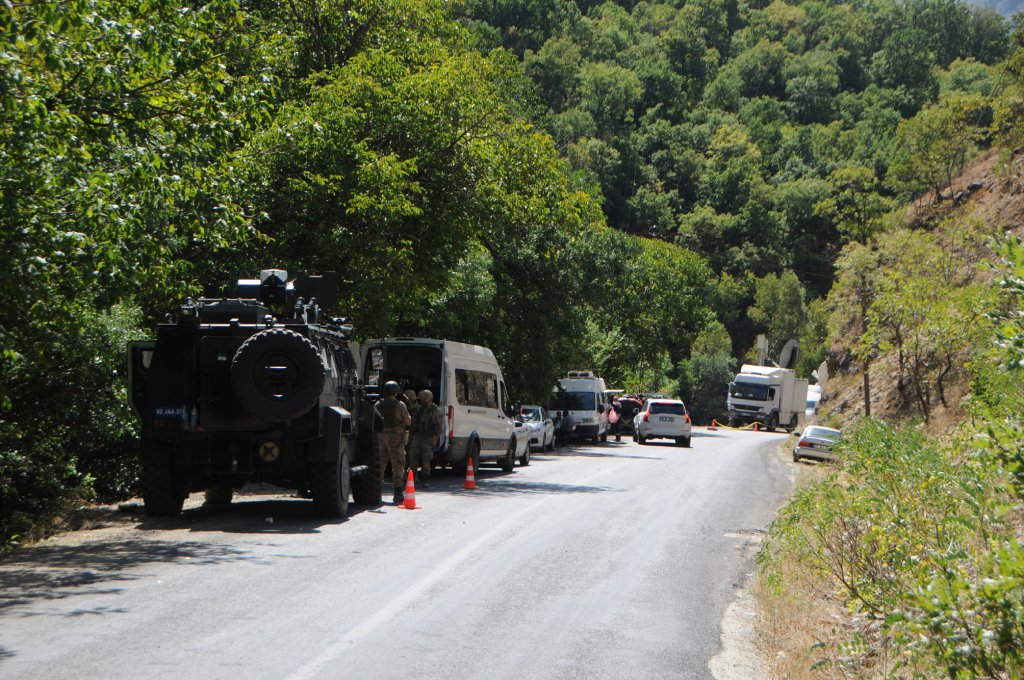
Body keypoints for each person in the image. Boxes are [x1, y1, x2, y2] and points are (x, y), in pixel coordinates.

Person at [377, 381, 411, 504]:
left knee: (380, 463)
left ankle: (376, 492)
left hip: (381, 437)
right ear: (396, 391)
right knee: (398, 464)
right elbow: (408, 422)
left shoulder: (378, 404)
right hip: (395, 438)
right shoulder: (400, 405)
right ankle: (397, 493)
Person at [408, 389, 443, 487]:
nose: (420, 401)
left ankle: (425, 480)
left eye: (422, 399)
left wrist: (436, 438)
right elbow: (414, 422)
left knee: (426, 460)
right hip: (417, 436)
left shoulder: (435, 410)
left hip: (428, 437)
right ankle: (412, 478)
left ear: (427, 399)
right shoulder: (420, 409)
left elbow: (439, 426)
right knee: (413, 458)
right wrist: (411, 436)